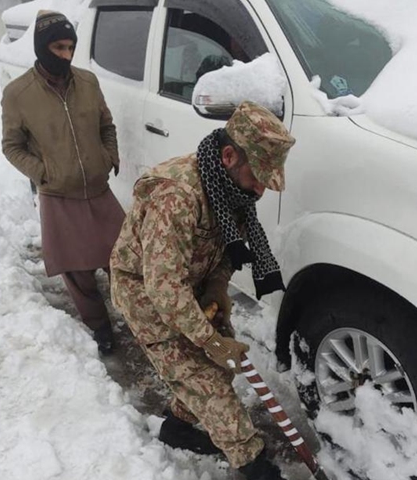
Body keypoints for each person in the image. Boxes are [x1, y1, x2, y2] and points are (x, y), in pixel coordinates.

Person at [109, 101, 296, 480]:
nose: (261, 188)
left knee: (218, 368)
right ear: (229, 156)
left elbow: (225, 248)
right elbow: (163, 288)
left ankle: (177, 427)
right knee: (210, 385)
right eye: (258, 175)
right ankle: (255, 465)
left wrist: (216, 285)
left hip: (188, 284)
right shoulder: (176, 196)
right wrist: (208, 340)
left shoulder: (233, 191)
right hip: (146, 293)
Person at [1, 11, 125, 355]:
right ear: (42, 47)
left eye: (70, 47)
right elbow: (11, 146)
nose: (66, 55)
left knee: (123, 260)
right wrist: (44, 173)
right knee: (78, 271)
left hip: (99, 191)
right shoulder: (18, 93)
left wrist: (109, 156)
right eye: (58, 47)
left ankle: (136, 316)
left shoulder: (88, 82)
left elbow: (107, 127)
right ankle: (100, 328)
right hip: (59, 194)